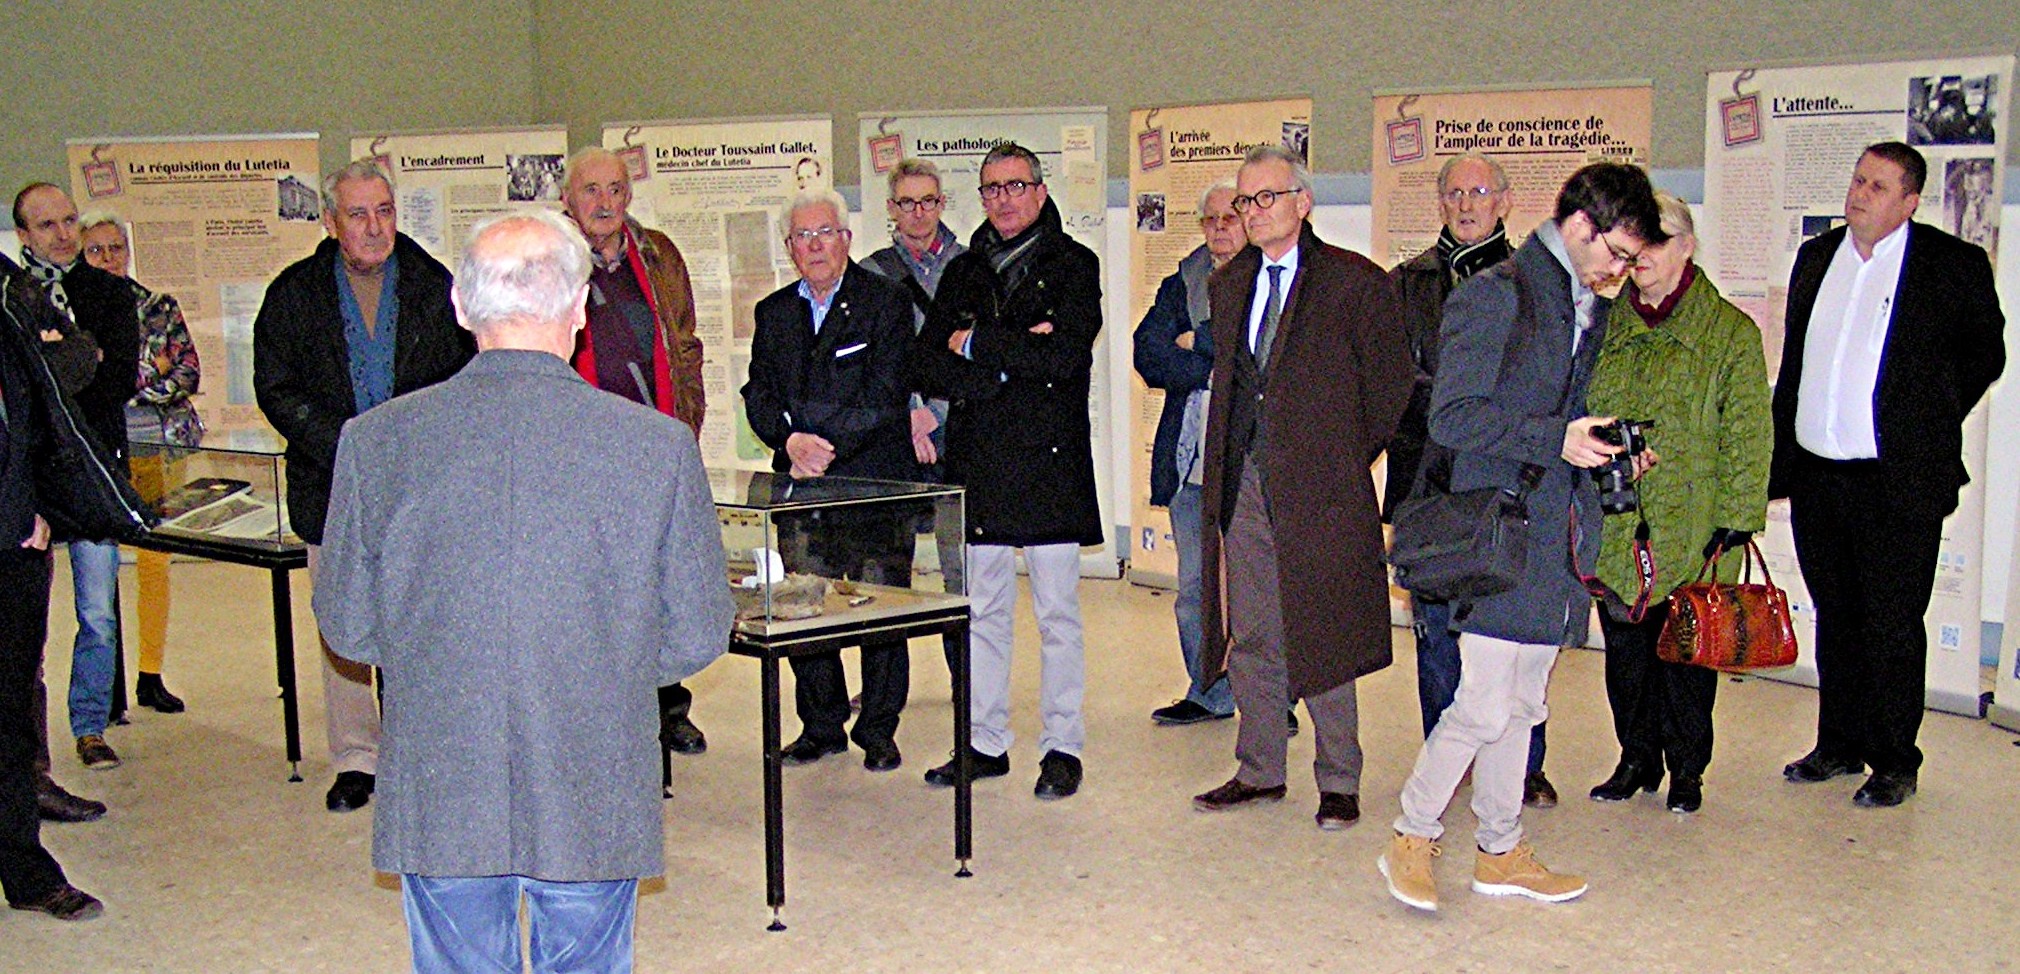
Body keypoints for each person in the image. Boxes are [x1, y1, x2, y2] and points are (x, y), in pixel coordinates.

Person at [316, 209, 732, 972]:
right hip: (592, 767)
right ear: (577, 309)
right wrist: (606, 660)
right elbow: (698, 627)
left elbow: (348, 622)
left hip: (443, 770)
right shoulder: (656, 446)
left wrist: (433, 652)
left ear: (460, 306)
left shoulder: (377, 441)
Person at [1380, 163, 1666, 912]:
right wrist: (1556, 439)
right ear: (1581, 227)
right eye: (1618, 253)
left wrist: (1607, 446)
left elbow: (1560, 412)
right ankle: (1412, 834)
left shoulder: (1583, 304)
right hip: (1496, 531)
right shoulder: (1496, 294)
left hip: (1553, 534)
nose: (1621, 271)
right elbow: (1452, 417)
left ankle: (1500, 849)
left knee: (1523, 703)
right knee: (1481, 703)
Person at [1771, 142, 2006, 808]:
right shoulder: (1817, 257)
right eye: (1857, 180)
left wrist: (1925, 416)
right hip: (1819, 475)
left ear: (1909, 202)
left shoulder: (1949, 265)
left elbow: (1985, 354)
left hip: (1897, 479)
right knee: (1837, 616)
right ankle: (1838, 744)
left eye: (1877, 186)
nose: (1859, 194)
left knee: (1893, 624)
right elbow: (1798, 361)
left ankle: (1895, 759)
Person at [1190, 145, 1413, 831]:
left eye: (1267, 197)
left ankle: (1339, 778)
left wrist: (1341, 457)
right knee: (1253, 631)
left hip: (1322, 488)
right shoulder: (1230, 282)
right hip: (1245, 482)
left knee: (1325, 630)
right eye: (1245, 201)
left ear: (1303, 203)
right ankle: (1260, 768)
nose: (1253, 212)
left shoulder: (1354, 283)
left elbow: (1390, 389)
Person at [253, 160, 476, 813]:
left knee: (421, 623)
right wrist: (342, 442)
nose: (375, 226)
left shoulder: (437, 287)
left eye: (384, 210)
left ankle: (417, 747)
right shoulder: (293, 295)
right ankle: (357, 756)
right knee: (343, 622)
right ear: (330, 222)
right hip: (333, 484)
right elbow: (276, 387)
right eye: (358, 214)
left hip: (419, 488)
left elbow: (465, 379)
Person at [912, 143, 1102, 800]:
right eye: (991, 188)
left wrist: (976, 343)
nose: (1003, 199)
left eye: (1015, 186)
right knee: (984, 611)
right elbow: (927, 362)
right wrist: (1007, 361)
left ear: (1040, 192)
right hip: (982, 460)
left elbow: (1066, 358)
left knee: (1058, 614)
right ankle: (984, 742)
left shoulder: (1075, 265)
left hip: (1050, 464)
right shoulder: (964, 271)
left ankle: (1062, 747)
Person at [1584, 191, 1772, 814]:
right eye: (1634, 240)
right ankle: (1636, 758)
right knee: (1626, 656)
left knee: (1688, 654)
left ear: (1687, 247)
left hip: (1697, 526)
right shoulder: (1603, 326)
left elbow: (1748, 434)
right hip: (1619, 519)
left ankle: (1688, 770)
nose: (1641, 253)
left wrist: (1737, 522)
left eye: (1657, 239)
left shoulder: (1730, 334)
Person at [1386, 154, 1560, 808]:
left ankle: (1525, 766)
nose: (1465, 205)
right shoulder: (1406, 285)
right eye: (1454, 193)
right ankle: (1446, 755)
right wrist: (1455, 403)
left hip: (1510, 478)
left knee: (1513, 629)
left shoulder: (1534, 285)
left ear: (1504, 202)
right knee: (1436, 629)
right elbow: (1388, 380)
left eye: (1479, 192)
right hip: (1429, 481)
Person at [741, 189, 916, 772]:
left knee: (881, 609)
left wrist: (820, 445)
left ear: (846, 238)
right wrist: (789, 442)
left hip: (873, 483)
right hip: (801, 486)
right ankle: (821, 725)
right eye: (802, 236)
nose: (814, 246)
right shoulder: (773, 313)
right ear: (789, 247)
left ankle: (878, 730)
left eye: (824, 233)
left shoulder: (885, 302)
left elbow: (885, 393)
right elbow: (758, 393)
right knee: (803, 605)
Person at [1, 258, 154, 919]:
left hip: (15, 535)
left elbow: (65, 371)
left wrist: (30, 500)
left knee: (9, 716)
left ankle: (26, 871)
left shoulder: (11, 290)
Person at [559, 146, 711, 757]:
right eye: (591, 190)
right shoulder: (553, 257)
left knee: (659, 582)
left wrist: (687, 425)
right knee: (591, 588)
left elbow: (685, 343)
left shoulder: (659, 254)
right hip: (582, 451)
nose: (605, 202)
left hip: (653, 445)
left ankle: (669, 707)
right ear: (567, 199)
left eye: (616, 189)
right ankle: (599, 714)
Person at [15, 184, 141, 775]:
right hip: (27, 479)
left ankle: (89, 725)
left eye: (69, 221)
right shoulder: (12, 299)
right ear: (24, 235)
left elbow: (115, 381)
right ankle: (30, 752)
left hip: (91, 470)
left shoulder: (110, 294)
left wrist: (55, 361)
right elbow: (20, 394)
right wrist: (77, 357)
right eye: (47, 225)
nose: (63, 234)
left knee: (98, 611)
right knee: (25, 622)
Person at [79, 211, 199, 715]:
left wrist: (132, 382)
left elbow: (188, 372)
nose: (108, 258)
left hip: (158, 447)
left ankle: (150, 674)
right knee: (99, 570)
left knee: (154, 563)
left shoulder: (157, 306)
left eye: (116, 248)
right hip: (101, 450)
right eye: (96, 250)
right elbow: (81, 381)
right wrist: (151, 370)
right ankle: (105, 688)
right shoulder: (73, 310)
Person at [1133, 176, 1243, 727]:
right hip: (1189, 462)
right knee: (1195, 588)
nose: (1219, 229)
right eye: (1210, 220)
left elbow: (1253, 354)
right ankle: (1206, 692)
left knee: (1257, 589)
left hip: (1249, 467)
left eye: (1230, 218)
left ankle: (1271, 700)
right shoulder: (1183, 280)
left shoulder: (1272, 280)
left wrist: (1196, 340)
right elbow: (1148, 354)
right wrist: (1211, 368)